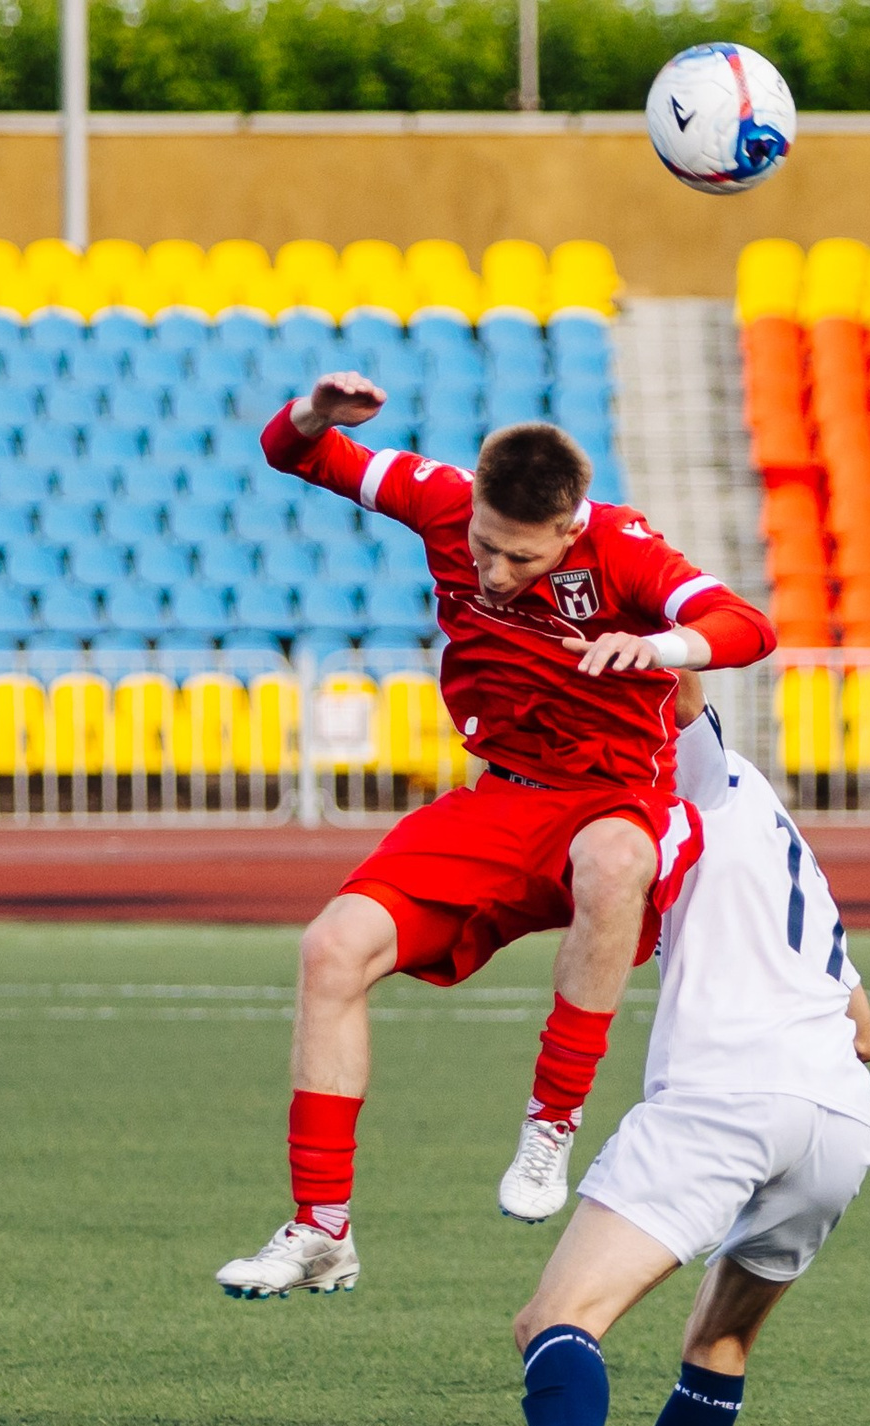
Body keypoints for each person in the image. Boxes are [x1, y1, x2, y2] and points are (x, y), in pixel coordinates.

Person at [216, 373, 779, 1300]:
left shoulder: (628, 551)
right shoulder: (441, 500)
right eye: (484, 545)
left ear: (569, 528)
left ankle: (550, 1124)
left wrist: (663, 647)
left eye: (521, 558)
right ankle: (322, 1229)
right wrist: (316, 412)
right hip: (499, 801)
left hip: (610, 798)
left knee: (614, 859)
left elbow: (746, 626)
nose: (494, 572)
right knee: (331, 949)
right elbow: (295, 452)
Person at [421, 673, 870, 1426]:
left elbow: (677, 695)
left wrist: (607, 615)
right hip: (838, 1116)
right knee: (717, 1345)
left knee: (555, 1316)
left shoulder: (701, 778)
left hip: (725, 1096)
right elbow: (865, 1029)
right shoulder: (776, 841)